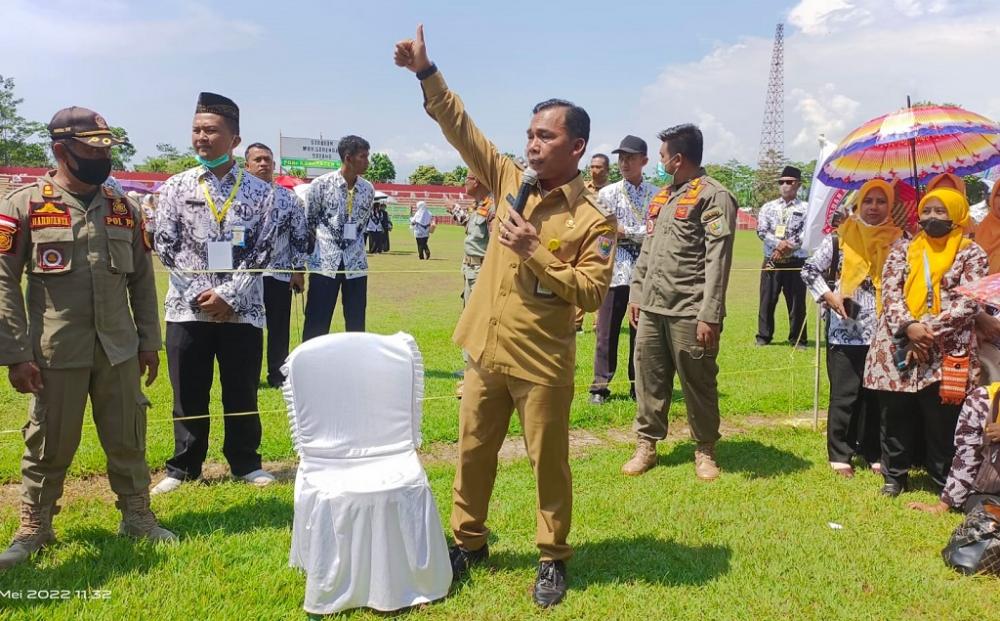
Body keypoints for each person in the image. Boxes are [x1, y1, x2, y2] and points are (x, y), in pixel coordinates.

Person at [395, 24, 616, 607]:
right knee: (472, 451)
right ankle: (468, 542)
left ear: (576, 148)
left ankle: (551, 556)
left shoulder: (594, 218)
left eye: (545, 137)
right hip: (485, 350)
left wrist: (533, 252)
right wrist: (426, 71)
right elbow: (460, 128)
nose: (533, 144)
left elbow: (592, 292)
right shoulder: (508, 179)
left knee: (549, 463)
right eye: (529, 134)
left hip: (542, 361)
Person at [0, 107, 175, 568]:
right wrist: (16, 353)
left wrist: (148, 341)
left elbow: (141, 280)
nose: (102, 158)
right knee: (49, 441)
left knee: (127, 435)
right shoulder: (25, 205)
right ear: (61, 150)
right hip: (56, 350)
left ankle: (137, 516)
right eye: (90, 149)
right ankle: (35, 526)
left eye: (106, 149)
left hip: (118, 347)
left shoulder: (124, 207)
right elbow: (3, 281)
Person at [152, 93, 278, 495]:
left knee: (240, 387)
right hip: (187, 309)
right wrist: (201, 293)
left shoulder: (261, 193)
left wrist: (230, 295)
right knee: (188, 388)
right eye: (196, 130)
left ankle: (245, 462)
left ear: (235, 139)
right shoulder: (176, 186)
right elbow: (165, 245)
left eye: (211, 130)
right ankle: (184, 466)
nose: (201, 138)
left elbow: (265, 248)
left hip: (242, 311)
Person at [622, 124, 738, 481]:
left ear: (678, 159)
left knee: (698, 381)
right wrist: (636, 295)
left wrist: (710, 314)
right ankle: (647, 444)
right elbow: (647, 252)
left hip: (690, 309)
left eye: (661, 157)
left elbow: (718, 261)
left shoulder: (714, 197)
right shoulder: (661, 198)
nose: (658, 163)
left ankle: (705, 449)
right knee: (649, 379)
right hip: (653, 307)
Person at [864, 187, 988, 497]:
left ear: (957, 214)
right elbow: (890, 292)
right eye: (927, 211)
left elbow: (970, 301)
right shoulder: (902, 249)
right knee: (895, 414)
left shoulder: (971, 253)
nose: (932, 217)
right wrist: (909, 326)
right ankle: (895, 477)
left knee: (942, 418)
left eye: (940, 211)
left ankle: (942, 478)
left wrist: (927, 330)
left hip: (947, 347)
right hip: (898, 344)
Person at [801, 180, 901, 478]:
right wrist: (827, 295)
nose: (873, 207)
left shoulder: (900, 241)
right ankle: (840, 453)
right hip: (846, 329)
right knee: (845, 394)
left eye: (880, 201)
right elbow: (809, 270)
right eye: (867, 201)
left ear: (890, 205)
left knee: (875, 396)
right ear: (857, 204)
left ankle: (872, 450)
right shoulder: (839, 238)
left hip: (885, 331)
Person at [588, 136, 655, 404]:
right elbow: (604, 233)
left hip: (645, 272)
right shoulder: (608, 193)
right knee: (607, 332)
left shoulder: (657, 194)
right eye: (621, 158)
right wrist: (601, 267)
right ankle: (599, 387)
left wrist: (626, 232)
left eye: (630, 158)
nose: (624, 163)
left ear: (644, 161)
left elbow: (654, 232)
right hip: (615, 271)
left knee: (642, 334)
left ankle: (637, 385)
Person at [244, 142, 309, 388]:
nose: (263, 164)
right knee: (248, 328)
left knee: (279, 328)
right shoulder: (237, 197)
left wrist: (298, 270)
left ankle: (277, 374)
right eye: (258, 160)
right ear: (246, 165)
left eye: (267, 160)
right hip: (246, 277)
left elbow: (299, 236)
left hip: (279, 274)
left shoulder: (288, 198)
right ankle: (248, 376)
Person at [302, 136, 375, 339]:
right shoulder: (320, 185)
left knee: (356, 323)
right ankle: (311, 366)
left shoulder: (368, 189)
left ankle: (354, 365)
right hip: (324, 264)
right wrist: (304, 262)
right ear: (348, 158)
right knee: (317, 321)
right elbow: (309, 222)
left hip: (356, 265)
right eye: (363, 156)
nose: (368, 161)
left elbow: (363, 223)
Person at [909, 382, 1000, 514]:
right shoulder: (981, 399)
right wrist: (943, 505)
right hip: (991, 492)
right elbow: (967, 456)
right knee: (983, 509)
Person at [755, 166, 809, 349]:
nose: (785, 185)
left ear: (798, 184)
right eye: (781, 182)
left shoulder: (806, 208)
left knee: (796, 302)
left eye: (789, 182)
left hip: (796, 262)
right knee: (767, 300)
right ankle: (763, 336)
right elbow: (762, 230)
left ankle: (798, 339)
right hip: (772, 260)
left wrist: (788, 247)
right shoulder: (768, 207)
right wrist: (778, 245)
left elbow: (806, 233)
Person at [455, 173, 495, 398]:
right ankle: (470, 372)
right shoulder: (478, 206)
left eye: (467, 179)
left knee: (477, 324)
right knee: (469, 322)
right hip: (469, 271)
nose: (464, 183)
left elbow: (495, 246)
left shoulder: (492, 208)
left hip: (481, 273)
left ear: (477, 181)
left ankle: (473, 376)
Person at [575, 153, 611, 333]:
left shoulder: (611, 192)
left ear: (607, 170)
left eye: (599, 167)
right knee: (580, 279)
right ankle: (576, 323)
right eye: (592, 167)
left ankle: (599, 324)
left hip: (603, 241)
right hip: (582, 239)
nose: (594, 170)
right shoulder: (582, 188)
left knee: (599, 281)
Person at [973, 183, 1000, 383]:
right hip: (984, 326)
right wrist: (979, 318)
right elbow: (969, 283)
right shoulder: (978, 234)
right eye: (999, 194)